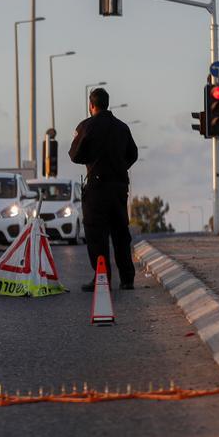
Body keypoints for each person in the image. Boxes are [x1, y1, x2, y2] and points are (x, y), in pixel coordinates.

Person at [69, 87, 139, 291]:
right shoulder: (122, 127)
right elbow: (133, 154)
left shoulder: (86, 126)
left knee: (96, 234)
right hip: (118, 187)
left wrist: (93, 160)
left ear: (91, 105)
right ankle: (127, 279)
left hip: (97, 188)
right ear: (107, 104)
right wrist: (119, 166)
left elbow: (74, 155)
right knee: (120, 233)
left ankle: (102, 278)